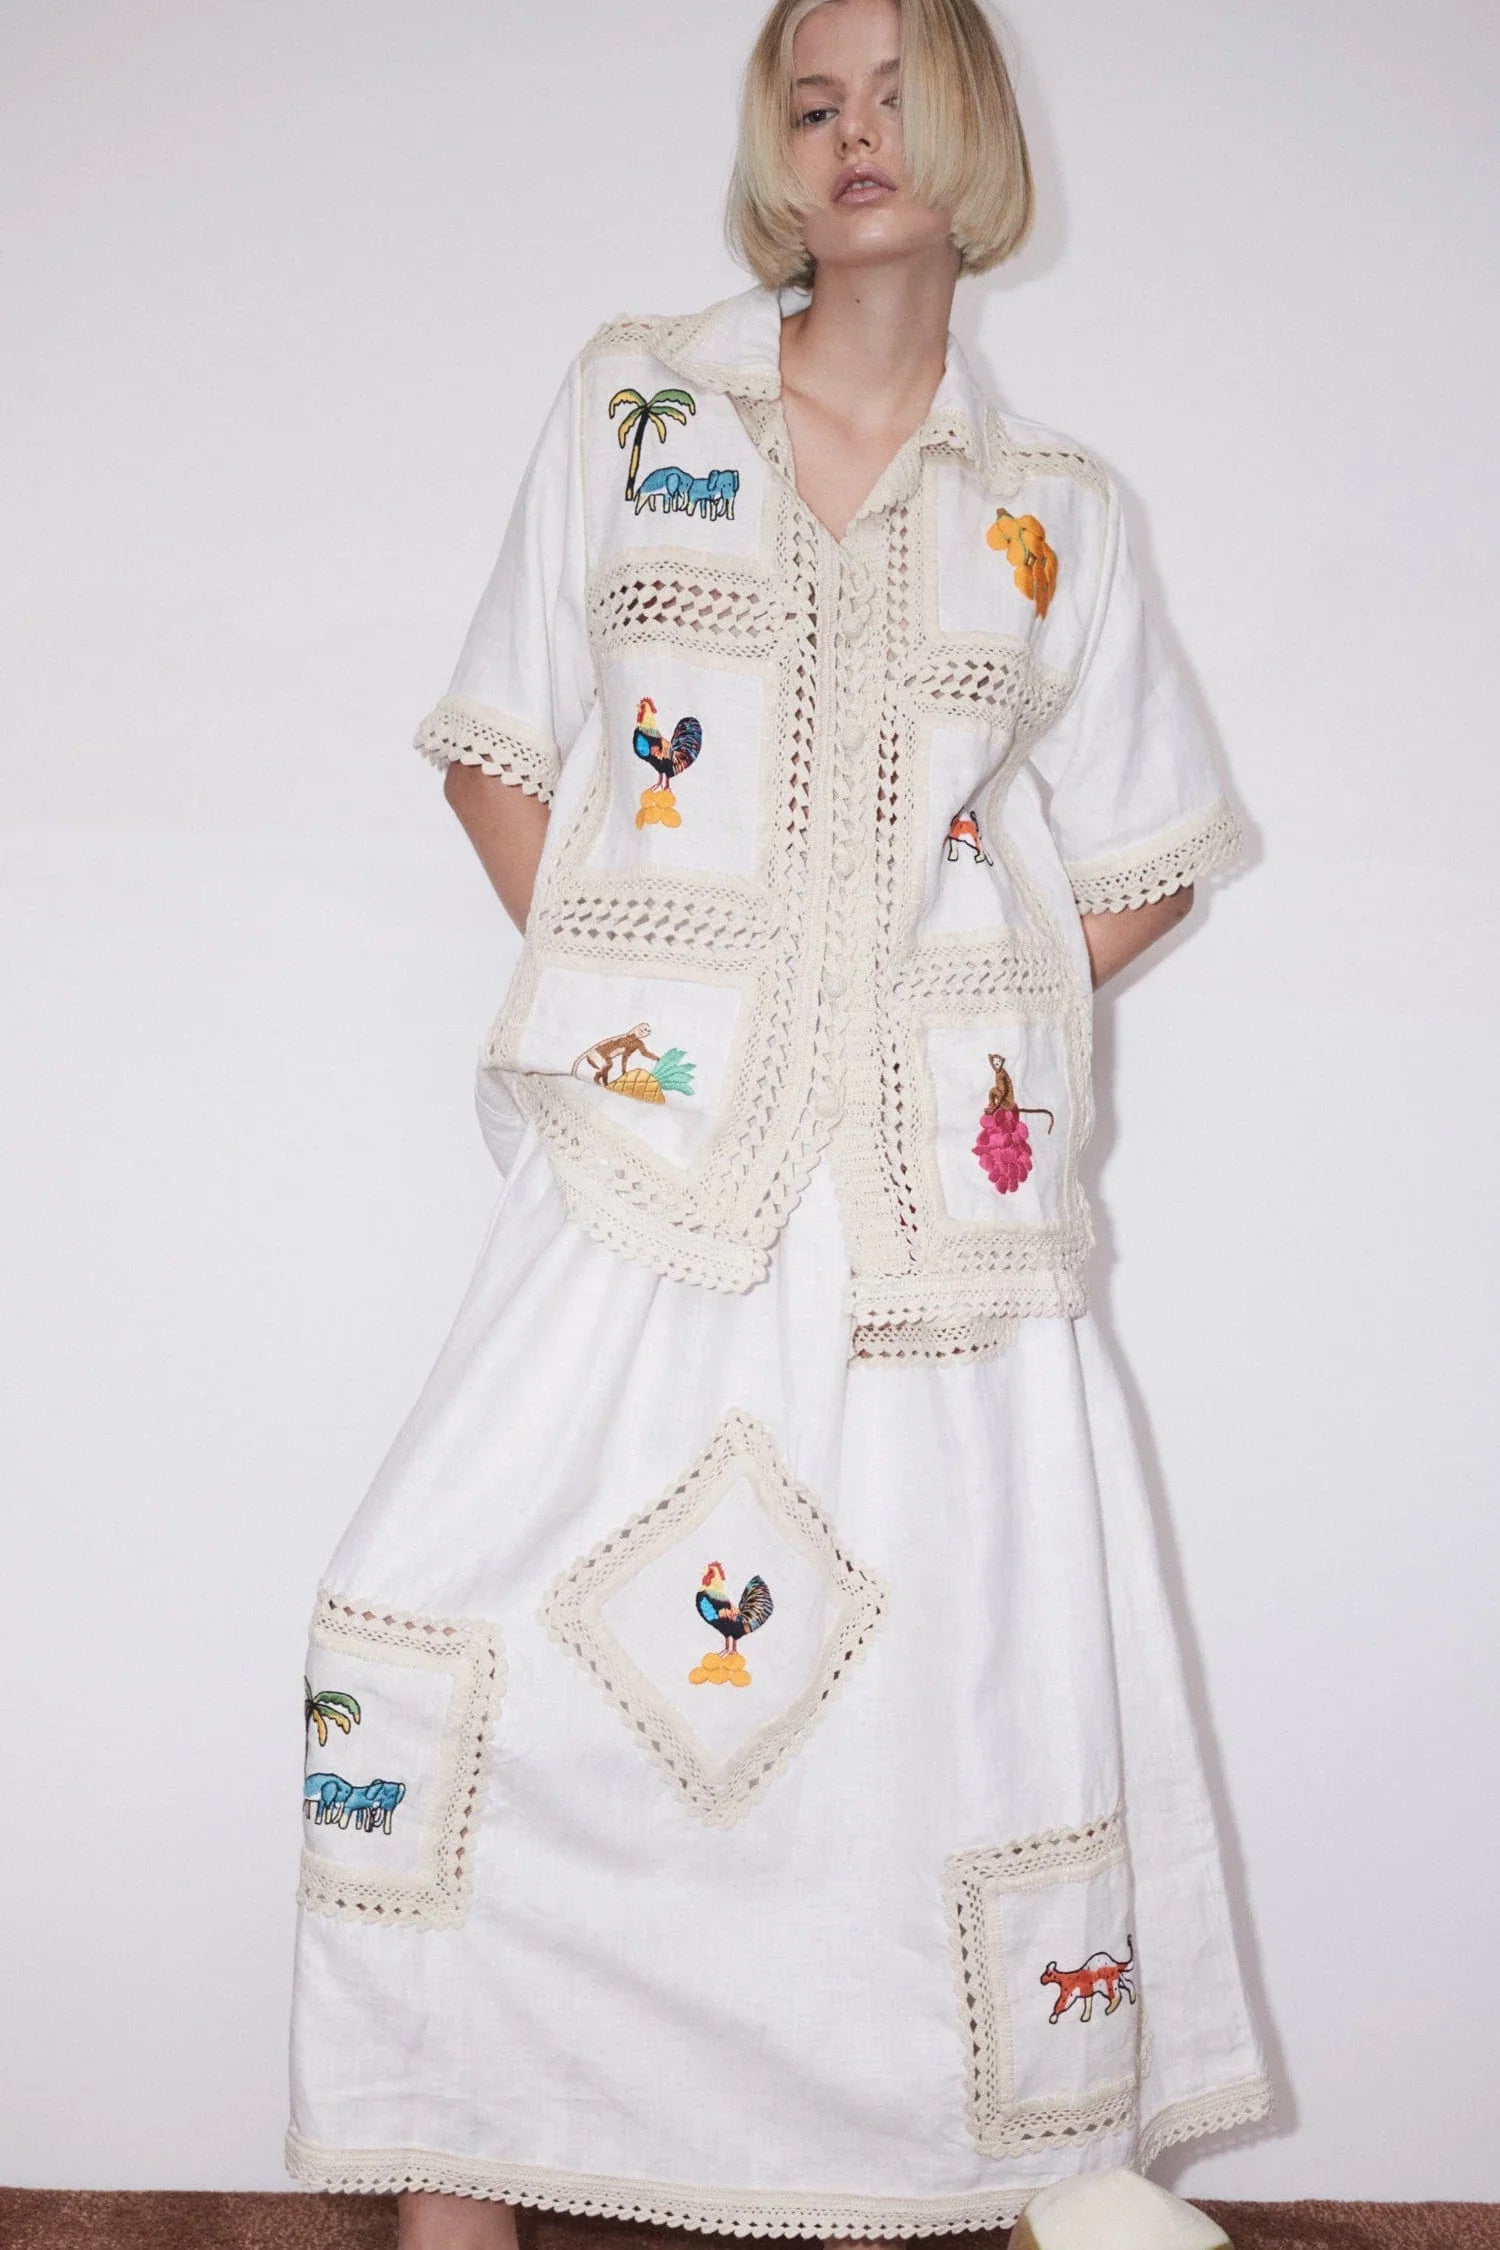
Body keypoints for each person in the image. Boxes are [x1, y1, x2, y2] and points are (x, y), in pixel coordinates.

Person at [285, 2, 1270, 2244]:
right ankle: (460, 2175)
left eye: (898, 95)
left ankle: (1016, 2169)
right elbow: (499, 747)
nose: (853, 138)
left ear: (976, 132)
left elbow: (1144, 859)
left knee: (958, 1691)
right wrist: (659, 1009)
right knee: (434, 1621)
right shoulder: (638, 408)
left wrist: (943, 1013)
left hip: (934, 1237)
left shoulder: (1053, 514)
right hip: (652, 1176)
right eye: (813, 103)